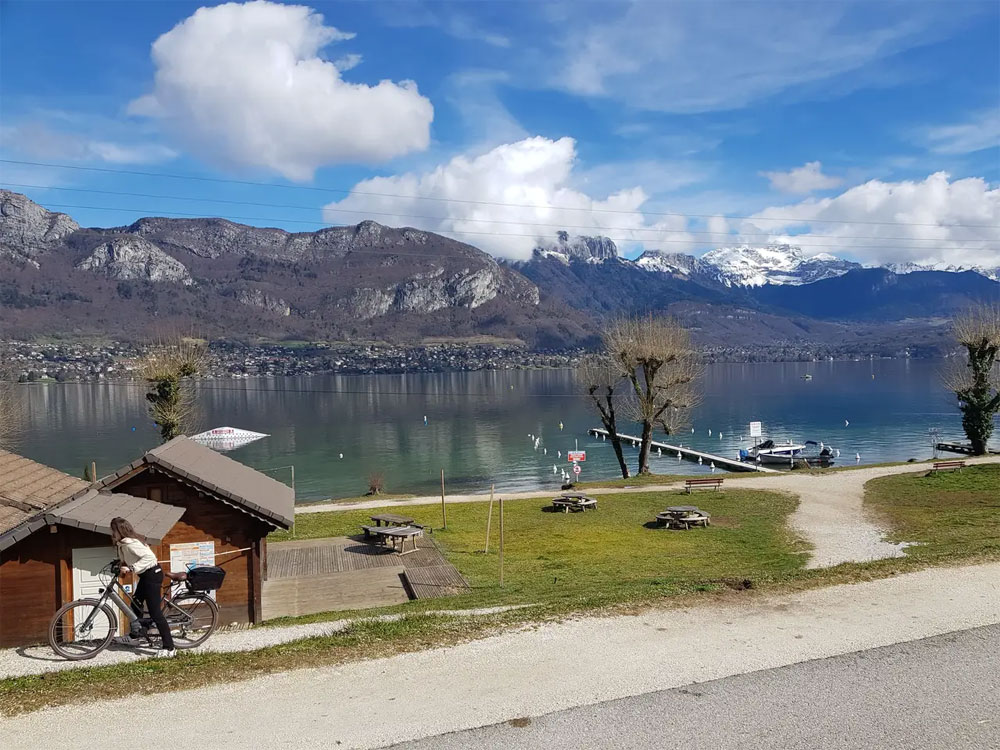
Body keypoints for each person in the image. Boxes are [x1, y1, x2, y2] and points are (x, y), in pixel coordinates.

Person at [109, 517, 175, 658]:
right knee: (135, 606)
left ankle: (170, 648)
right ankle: (135, 637)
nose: (112, 533)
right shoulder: (122, 543)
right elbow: (127, 558)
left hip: (152, 574)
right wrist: (119, 563)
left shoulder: (131, 543)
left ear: (120, 531)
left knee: (155, 613)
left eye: (113, 530)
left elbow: (150, 558)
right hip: (145, 575)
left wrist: (132, 568)